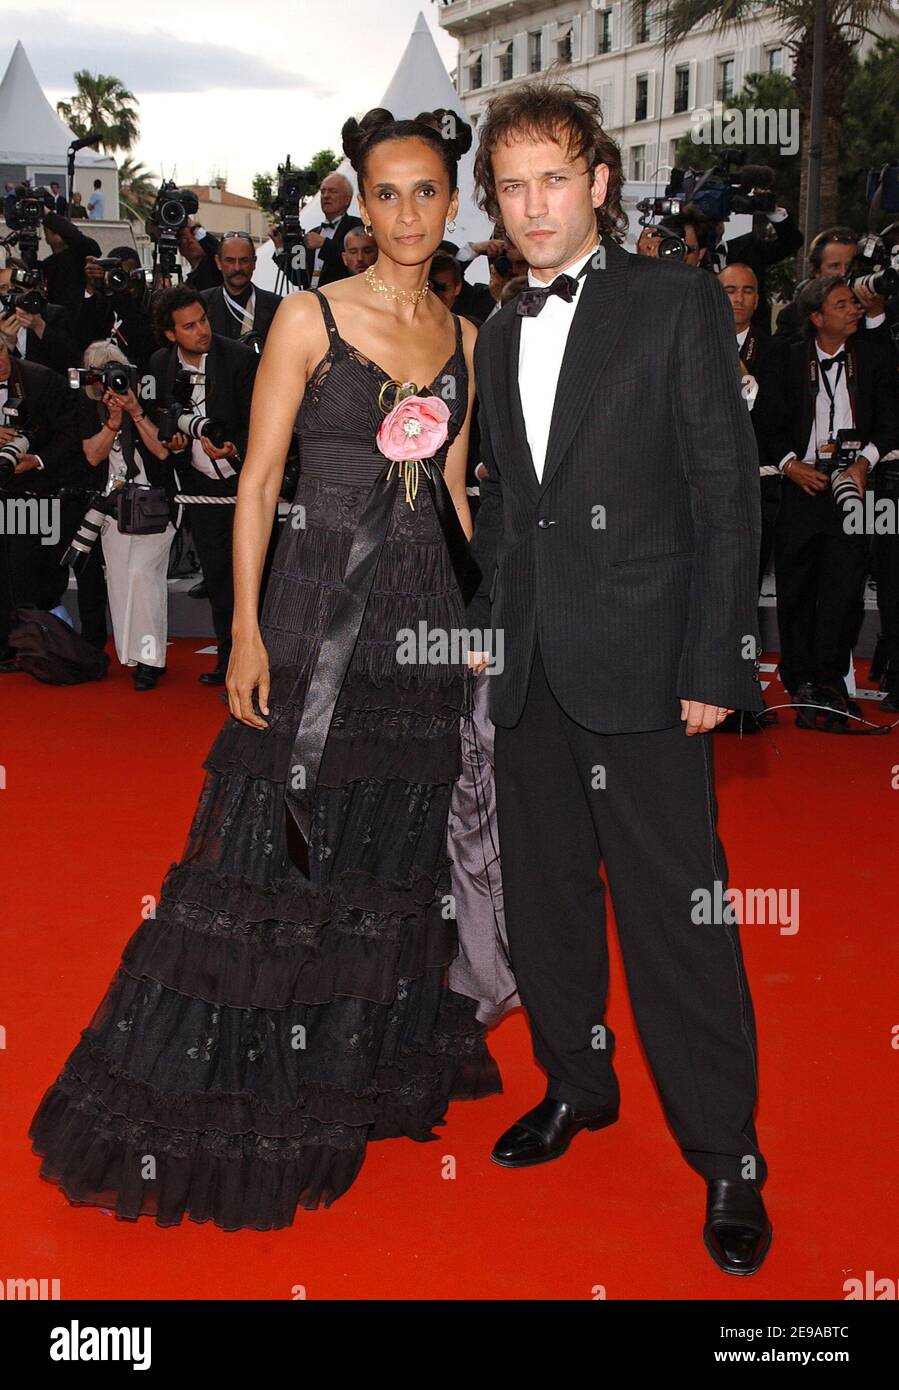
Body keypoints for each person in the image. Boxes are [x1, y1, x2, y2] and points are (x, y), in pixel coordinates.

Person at [28, 104, 501, 1229]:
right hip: (310, 614)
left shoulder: (467, 338)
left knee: (389, 845)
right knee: (275, 846)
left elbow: (451, 496)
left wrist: (478, 628)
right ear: (358, 201)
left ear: (452, 201)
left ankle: (351, 1062)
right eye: (382, 192)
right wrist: (242, 626)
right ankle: (240, 1083)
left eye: (425, 190)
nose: (403, 212)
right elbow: (257, 483)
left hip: (421, 625)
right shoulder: (306, 316)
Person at [467, 78, 771, 1275]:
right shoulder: (495, 328)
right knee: (542, 901)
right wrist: (493, 631)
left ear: (598, 182)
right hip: (533, 663)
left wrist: (716, 660)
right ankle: (574, 1084)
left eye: (554, 178)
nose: (533, 206)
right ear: (491, 202)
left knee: (677, 919)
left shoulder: (672, 300)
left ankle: (727, 1157)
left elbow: (723, 490)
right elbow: (509, 511)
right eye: (510, 185)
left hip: (650, 665)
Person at [773, 275, 899, 723]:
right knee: (797, 588)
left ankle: (830, 680)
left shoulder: (875, 356)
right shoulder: (788, 359)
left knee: (846, 592)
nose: (854, 309)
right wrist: (791, 465)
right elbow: (766, 425)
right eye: (843, 304)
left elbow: (890, 421)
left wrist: (864, 463)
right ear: (816, 317)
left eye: (853, 302)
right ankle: (801, 680)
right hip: (802, 485)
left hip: (858, 486)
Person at [148, 286, 260, 684]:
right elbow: (160, 417)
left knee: (250, 577)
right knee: (216, 577)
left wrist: (234, 449)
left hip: (245, 486)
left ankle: (259, 661)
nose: (202, 331)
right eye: (189, 326)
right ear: (170, 334)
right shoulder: (160, 364)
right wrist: (174, 442)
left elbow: (260, 422)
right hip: (198, 486)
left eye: (204, 320)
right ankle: (228, 662)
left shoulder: (240, 359)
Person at [76, 341, 177, 690]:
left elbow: (162, 451)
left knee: (141, 576)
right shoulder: (89, 409)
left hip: (153, 505)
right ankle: (133, 655)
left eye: (114, 373)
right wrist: (112, 422)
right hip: (112, 507)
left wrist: (134, 412)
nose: (109, 384)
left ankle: (151, 659)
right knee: (119, 580)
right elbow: (92, 456)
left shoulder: (145, 402)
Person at [200, 233, 282, 349]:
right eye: (230, 261)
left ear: (254, 262)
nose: (237, 268)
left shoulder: (277, 306)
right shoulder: (201, 304)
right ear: (218, 262)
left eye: (244, 260)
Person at [304, 172, 363, 287]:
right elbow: (298, 277)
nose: (326, 196)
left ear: (347, 199)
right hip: (312, 300)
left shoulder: (358, 226)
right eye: (323, 191)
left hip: (342, 298)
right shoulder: (313, 232)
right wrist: (280, 248)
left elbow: (358, 261)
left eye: (333, 191)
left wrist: (324, 244)